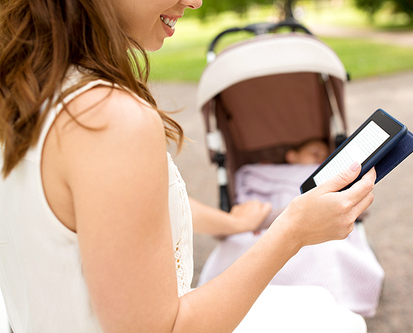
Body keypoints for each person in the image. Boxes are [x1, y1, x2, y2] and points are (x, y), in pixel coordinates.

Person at [0, 1, 376, 332]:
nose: (195, 1)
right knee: (331, 318)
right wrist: (292, 232)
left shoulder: (24, 86)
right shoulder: (109, 121)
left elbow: (114, 214)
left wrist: (232, 223)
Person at [198, 139, 385, 317]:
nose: (321, 159)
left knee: (326, 249)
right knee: (239, 247)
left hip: (305, 223)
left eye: (327, 156)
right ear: (292, 156)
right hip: (261, 223)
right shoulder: (259, 173)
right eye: (314, 153)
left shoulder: (329, 176)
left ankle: (324, 309)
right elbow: (247, 205)